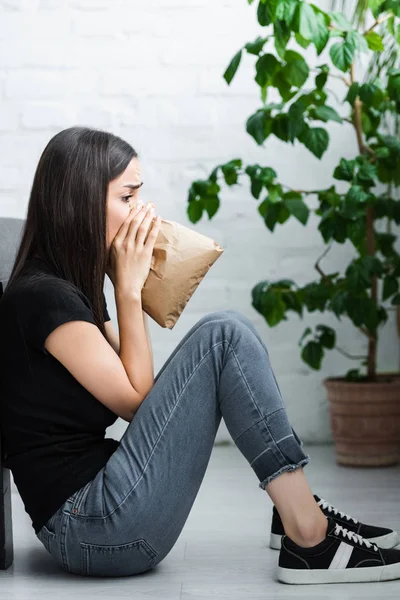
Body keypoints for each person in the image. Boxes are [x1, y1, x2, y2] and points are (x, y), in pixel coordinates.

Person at [0, 126, 399, 585]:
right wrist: (129, 289)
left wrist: (123, 286)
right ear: (83, 204)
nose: (141, 212)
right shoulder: (44, 298)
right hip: (93, 527)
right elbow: (136, 402)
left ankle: (297, 509)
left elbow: (134, 384)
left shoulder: (68, 286)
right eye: (127, 198)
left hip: (101, 507)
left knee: (223, 331)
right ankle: (308, 534)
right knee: (223, 335)